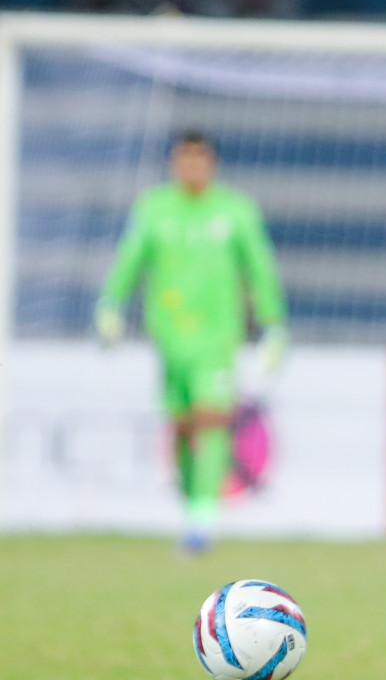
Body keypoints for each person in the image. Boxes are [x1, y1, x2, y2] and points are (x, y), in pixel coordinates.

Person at [96, 132, 288, 554]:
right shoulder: (154, 208)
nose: (192, 167)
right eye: (185, 159)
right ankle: (192, 510)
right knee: (182, 425)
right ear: (173, 163)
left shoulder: (235, 210)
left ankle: (204, 521)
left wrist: (273, 325)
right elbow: (130, 259)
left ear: (212, 163)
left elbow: (259, 269)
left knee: (212, 418)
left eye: (199, 159)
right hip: (168, 338)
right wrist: (111, 304)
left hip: (218, 337)